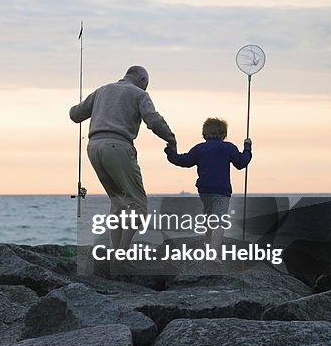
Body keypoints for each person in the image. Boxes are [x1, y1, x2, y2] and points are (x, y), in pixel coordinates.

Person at [70, 65, 177, 250]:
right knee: (139, 205)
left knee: (118, 202)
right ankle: (123, 252)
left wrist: (82, 104)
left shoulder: (102, 90)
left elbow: (75, 115)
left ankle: (115, 250)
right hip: (118, 147)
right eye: (146, 85)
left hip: (94, 147)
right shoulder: (139, 94)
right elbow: (153, 120)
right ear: (142, 80)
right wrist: (171, 139)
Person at [165, 117, 252, 245]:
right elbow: (241, 163)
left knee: (208, 216)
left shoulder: (199, 149)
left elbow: (183, 161)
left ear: (204, 134)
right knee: (219, 222)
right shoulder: (228, 148)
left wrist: (170, 152)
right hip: (222, 191)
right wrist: (247, 147)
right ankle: (213, 253)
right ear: (224, 134)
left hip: (204, 190)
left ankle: (208, 241)